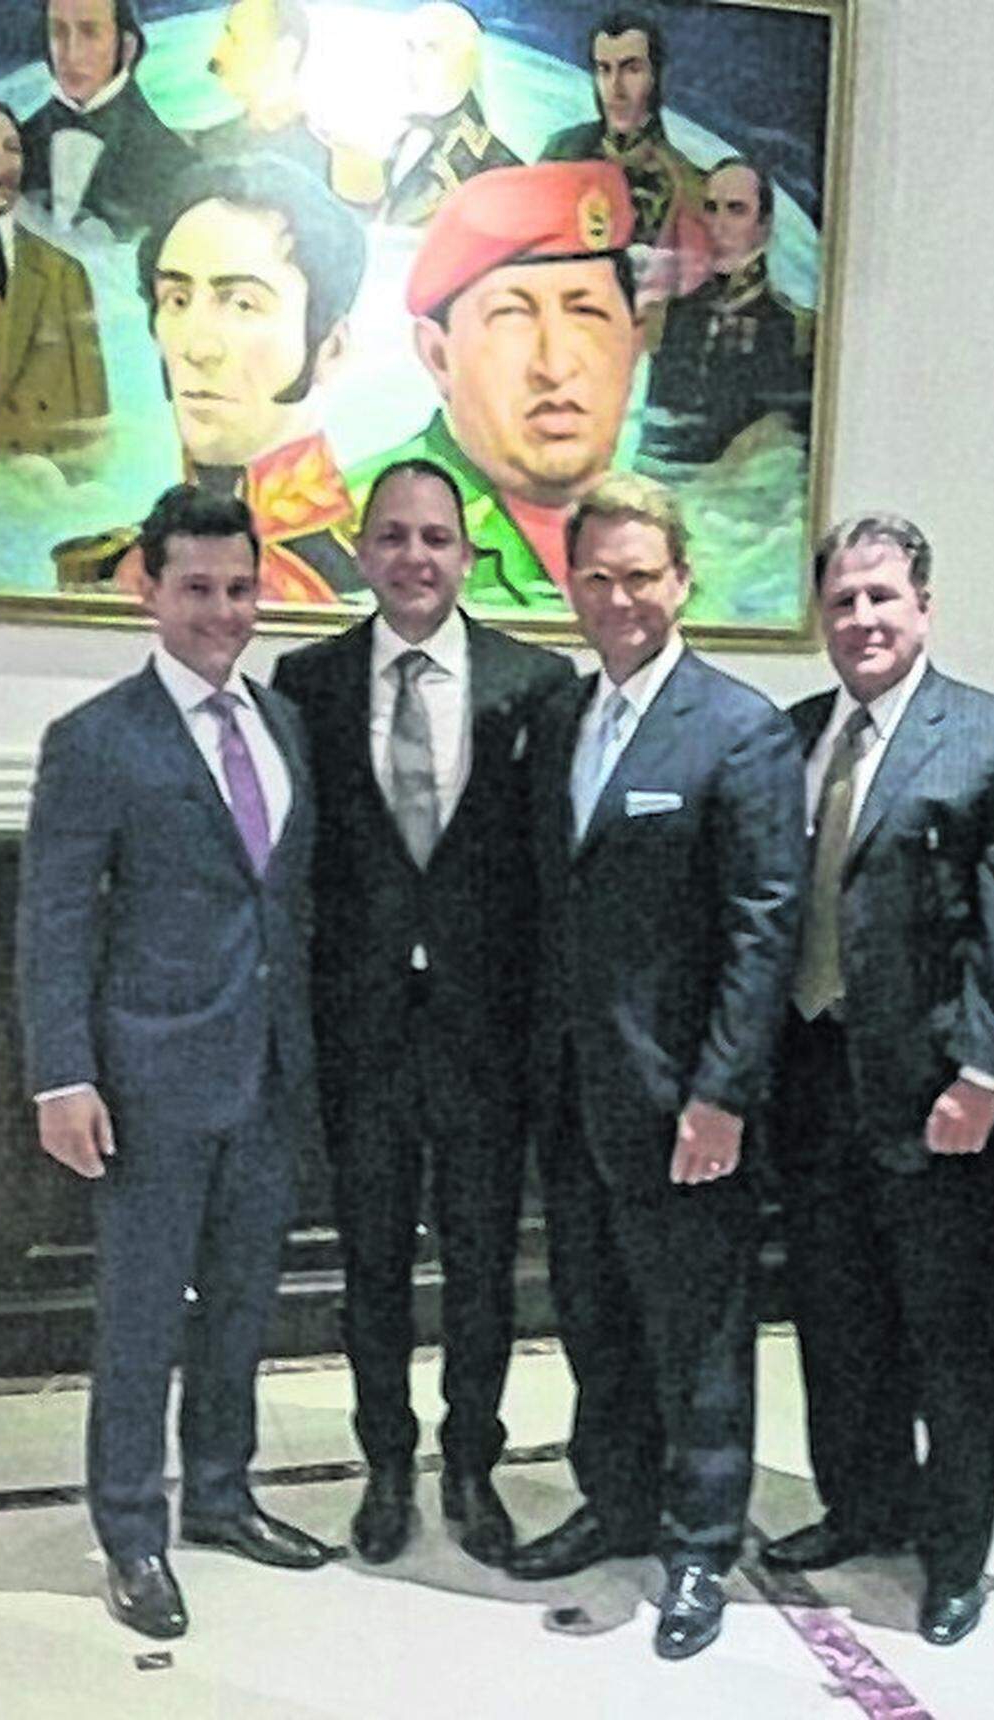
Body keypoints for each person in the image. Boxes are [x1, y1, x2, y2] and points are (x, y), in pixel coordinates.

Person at [17, 485, 341, 1641]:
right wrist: (64, 1076)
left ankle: (218, 1492)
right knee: (140, 1317)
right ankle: (131, 1531)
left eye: (241, 588)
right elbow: (53, 919)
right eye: (196, 588)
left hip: (266, 1073)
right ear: (148, 589)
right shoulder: (97, 739)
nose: (222, 611)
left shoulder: (282, 721)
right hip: (148, 1081)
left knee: (243, 1307)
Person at [507, 472, 805, 1661]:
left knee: (697, 1334)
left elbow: (764, 927)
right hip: (574, 1094)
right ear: (570, 584)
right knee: (593, 1317)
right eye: (597, 575)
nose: (618, 596)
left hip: (688, 1104)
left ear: (681, 581)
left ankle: (695, 1544)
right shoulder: (561, 720)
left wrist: (723, 1091)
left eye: (641, 574)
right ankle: (616, 1499)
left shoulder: (740, 727)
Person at [761, 514, 994, 1648]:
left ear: (924, 607)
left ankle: (952, 1557)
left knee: (947, 1338)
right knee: (838, 1321)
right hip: (811, 1083)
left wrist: (983, 1071)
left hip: (942, 1098)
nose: (863, 620)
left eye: (883, 598)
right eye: (843, 602)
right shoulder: (792, 737)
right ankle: (861, 1507)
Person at [272, 458, 575, 1569]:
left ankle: (473, 1463)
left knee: (486, 1263)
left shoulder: (535, 683)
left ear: (466, 551)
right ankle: (386, 1463)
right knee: (370, 1267)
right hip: (361, 1032)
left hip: (485, 1036)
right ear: (362, 550)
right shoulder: (304, 681)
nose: (414, 557)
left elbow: (550, 873)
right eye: (392, 536)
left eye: (435, 537)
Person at [55, 155, 366, 600]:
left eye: (242, 304)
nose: (197, 348)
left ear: (331, 346)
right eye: (178, 300)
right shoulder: (113, 568)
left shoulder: (367, 580)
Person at [347, 160, 642, 609]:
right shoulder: (347, 531)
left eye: (587, 313)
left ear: (635, 342)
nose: (555, 366)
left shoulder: (664, 538)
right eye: (512, 317)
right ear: (438, 356)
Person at [0, 96, 108, 468]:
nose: (3, 162)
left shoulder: (65, 273)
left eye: (12, 149)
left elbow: (94, 421)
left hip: (51, 500)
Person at [639, 155, 813, 468]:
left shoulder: (791, 328)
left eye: (736, 210)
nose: (718, 224)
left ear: (763, 225)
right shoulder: (671, 315)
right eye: (711, 208)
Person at [540, 11, 707, 271]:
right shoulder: (561, 152)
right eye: (604, 69)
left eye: (631, 69)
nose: (615, 89)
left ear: (656, 77)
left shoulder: (686, 183)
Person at [20, 0, 193, 238]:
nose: (72, 53)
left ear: (127, 47)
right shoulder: (17, 143)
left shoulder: (173, 165)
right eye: (58, 32)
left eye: (90, 32)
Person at [379, 2, 519, 227]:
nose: (416, 63)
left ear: (467, 60)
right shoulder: (402, 136)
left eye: (432, 48)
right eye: (411, 47)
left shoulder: (501, 173)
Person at [197, 0, 333, 190]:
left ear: (286, 52)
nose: (215, 57)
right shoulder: (212, 146)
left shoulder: (333, 161)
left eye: (235, 40)